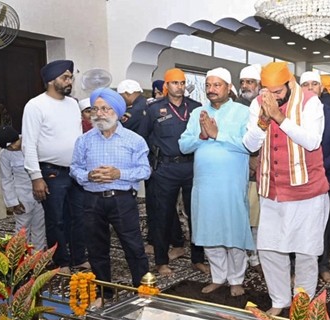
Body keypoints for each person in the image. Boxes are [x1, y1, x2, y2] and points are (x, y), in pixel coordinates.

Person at [243, 62, 329, 316]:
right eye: (267, 91)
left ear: (290, 84)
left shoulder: (311, 102)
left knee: (305, 251)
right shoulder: (258, 103)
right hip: (272, 190)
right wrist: (262, 122)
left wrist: (280, 118)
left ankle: (303, 304)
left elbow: (313, 142)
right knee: (269, 249)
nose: (272, 97)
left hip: (307, 191)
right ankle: (279, 300)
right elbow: (249, 144)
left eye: (278, 92)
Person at [70, 88, 150, 306]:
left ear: (117, 111)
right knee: (96, 249)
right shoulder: (84, 140)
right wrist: (87, 176)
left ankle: (142, 291)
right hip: (92, 201)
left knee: (134, 248)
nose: (99, 113)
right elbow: (74, 169)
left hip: (122, 200)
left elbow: (145, 171)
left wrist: (119, 174)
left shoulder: (134, 140)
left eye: (105, 108)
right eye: (95, 108)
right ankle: (103, 294)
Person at [179, 67, 253, 296]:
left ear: (229, 88)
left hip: (231, 183)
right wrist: (201, 136)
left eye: (217, 85)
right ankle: (219, 276)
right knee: (209, 230)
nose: (211, 89)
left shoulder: (243, 112)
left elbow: (249, 145)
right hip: (204, 183)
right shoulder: (196, 113)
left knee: (233, 230)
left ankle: (237, 278)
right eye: (208, 85)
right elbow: (183, 146)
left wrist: (217, 134)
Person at [21, 59, 88, 274]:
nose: (70, 81)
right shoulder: (35, 105)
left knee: (79, 217)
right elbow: (29, 143)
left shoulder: (72, 104)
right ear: (51, 81)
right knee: (56, 219)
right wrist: (35, 176)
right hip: (51, 172)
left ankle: (79, 258)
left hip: (76, 171)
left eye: (71, 77)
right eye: (65, 78)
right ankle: (61, 263)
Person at [138, 68, 205, 276]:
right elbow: (142, 138)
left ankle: (197, 258)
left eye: (183, 83)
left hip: (192, 167)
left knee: (196, 215)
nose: (180, 87)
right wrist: (148, 163)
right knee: (162, 215)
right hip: (165, 168)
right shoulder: (154, 109)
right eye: (175, 83)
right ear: (166, 86)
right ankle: (161, 260)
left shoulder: (196, 108)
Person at [300, 71, 330, 283]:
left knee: (324, 225)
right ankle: (295, 267)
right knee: (297, 224)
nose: (310, 88)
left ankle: (323, 265)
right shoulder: (291, 113)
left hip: (326, 177)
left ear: (321, 89)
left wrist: (317, 167)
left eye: (314, 85)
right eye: (305, 84)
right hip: (297, 177)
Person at [0, 126, 45, 250]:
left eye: (13, 144)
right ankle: (21, 259)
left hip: (41, 193)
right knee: (22, 229)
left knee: (39, 227)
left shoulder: (33, 145)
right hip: (22, 196)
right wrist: (13, 202)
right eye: (8, 147)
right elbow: (6, 179)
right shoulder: (4, 155)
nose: (12, 148)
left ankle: (38, 257)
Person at [237, 64, 263, 273]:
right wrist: (249, 159)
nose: (245, 86)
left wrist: (257, 159)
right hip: (242, 170)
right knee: (246, 216)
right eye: (243, 82)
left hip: (266, 169)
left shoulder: (267, 104)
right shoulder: (235, 106)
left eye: (250, 82)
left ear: (259, 85)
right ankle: (250, 257)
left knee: (261, 218)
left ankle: (260, 255)